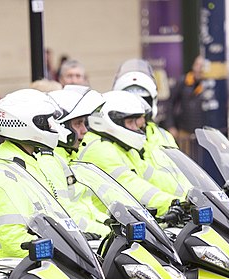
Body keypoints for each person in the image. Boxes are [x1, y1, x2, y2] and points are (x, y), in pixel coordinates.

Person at [0, 88, 76, 258]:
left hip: (32, 263)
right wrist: (63, 252)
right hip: (7, 269)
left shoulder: (28, 160)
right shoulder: (3, 173)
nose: (52, 127)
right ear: (28, 123)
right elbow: (15, 241)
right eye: (46, 122)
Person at [75, 90, 176, 217]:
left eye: (136, 122)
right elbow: (131, 186)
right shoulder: (98, 148)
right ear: (110, 121)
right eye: (130, 123)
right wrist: (170, 203)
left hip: (129, 221)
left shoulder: (123, 146)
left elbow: (153, 177)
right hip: (109, 224)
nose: (136, 128)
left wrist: (188, 197)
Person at [113, 60, 190, 198]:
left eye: (142, 105)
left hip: (173, 209)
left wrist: (192, 195)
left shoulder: (164, 135)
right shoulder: (115, 140)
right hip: (149, 208)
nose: (137, 114)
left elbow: (181, 173)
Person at [48, 86, 109, 236]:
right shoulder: (50, 162)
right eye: (78, 124)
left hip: (87, 238)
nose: (85, 130)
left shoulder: (70, 157)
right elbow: (67, 212)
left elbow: (85, 207)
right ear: (60, 127)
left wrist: (110, 223)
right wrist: (107, 232)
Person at [164, 55, 207, 153]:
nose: (199, 69)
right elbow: (170, 103)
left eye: (202, 66)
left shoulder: (209, 84)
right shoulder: (183, 81)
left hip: (203, 132)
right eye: (197, 65)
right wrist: (170, 125)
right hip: (185, 130)